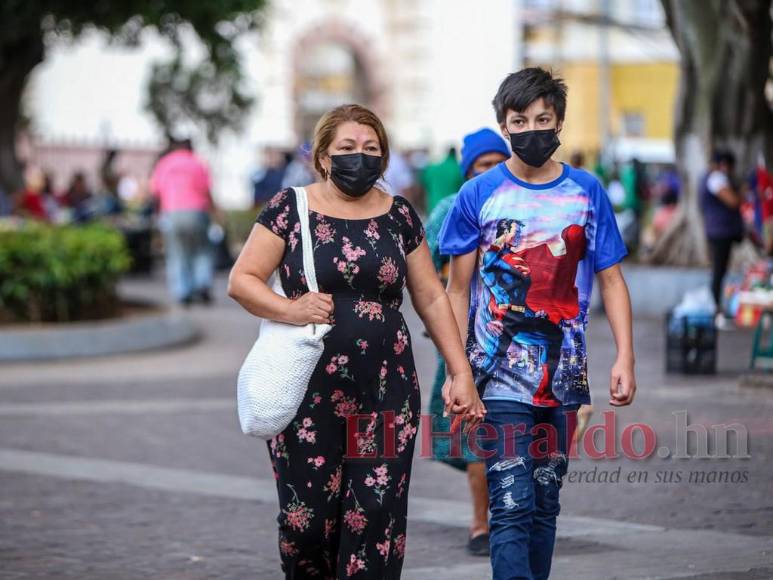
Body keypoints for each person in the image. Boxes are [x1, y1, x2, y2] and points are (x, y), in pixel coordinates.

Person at [228, 103, 485, 579]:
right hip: (307, 390)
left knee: (376, 516)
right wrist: (290, 308)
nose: (359, 157)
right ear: (323, 156)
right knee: (307, 524)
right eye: (347, 148)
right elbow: (242, 279)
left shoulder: (400, 215)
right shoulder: (289, 208)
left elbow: (430, 295)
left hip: (387, 387)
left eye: (371, 149)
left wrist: (460, 370)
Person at [439, 67, 637, 580]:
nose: (532, 129)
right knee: (511, 502)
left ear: (560, 122)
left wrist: (625, 357)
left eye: (543, 118)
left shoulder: (586, 191)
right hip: (497, 378)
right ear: (504, 126)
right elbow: (456, 290)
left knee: (545, 505)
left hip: (563, 377)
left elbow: (611, 279)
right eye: (520, 119)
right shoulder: (477, 195)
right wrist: (458, 370)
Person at [425, 127, 510, 557]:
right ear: (468, 170)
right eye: (483, 165)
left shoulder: (524, 204)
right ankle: (481, 524)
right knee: (478, 435)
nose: (492, 172)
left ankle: (514, 520)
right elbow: (424, 270)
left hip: (519, 340)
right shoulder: (449, 210)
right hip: (467, 338)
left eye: (499, 163)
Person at [149, 138, 217, 306]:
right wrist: (215, 212)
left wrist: (157, 215)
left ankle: (183, 291)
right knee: (201, 250)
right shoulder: (197, 162)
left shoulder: (165, 163)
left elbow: (155, 192)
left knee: (177, 252)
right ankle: (202, 285)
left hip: (172, 212)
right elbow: (207, 190)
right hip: (197, 211)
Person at [700, 150, 744, 329]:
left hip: (719, 231)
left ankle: (716, 310)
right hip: (720, 232)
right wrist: (743, 192)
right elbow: (732, 201)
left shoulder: (711, 177)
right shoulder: (716, 178)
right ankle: (715, 312)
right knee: (718, 273)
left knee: (720, 272)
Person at [422, 146, 464, 214]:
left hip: (433, 207)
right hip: (452, 210)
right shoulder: (459, 169)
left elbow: (424, 186)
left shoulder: (433, 168)